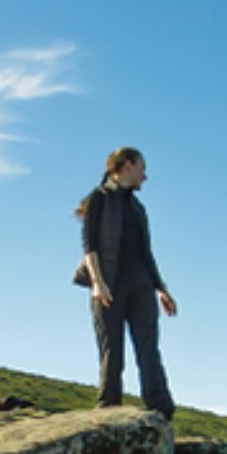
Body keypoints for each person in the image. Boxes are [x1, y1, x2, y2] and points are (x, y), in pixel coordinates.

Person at [76, 147, 178, 417]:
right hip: (109, 284)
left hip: (141, 285)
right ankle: (109, 406)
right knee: (112, 350)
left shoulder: (137, 207)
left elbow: (146, 253)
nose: (145, 175)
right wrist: (98, 283)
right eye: (142, 167)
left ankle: (160, 407)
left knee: (149, 348)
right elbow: (90, 246)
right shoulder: (98, 198)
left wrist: (162, 289)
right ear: (128, 165)